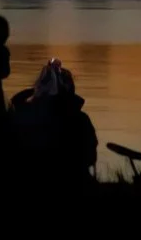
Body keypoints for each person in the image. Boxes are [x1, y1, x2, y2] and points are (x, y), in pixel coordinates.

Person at [9, 60, 97, 189]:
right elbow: (90, 158)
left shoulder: (22, 114)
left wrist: (33, 92)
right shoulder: (80, 119)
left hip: (28, 183)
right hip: (73, 183)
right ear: (70, 90)